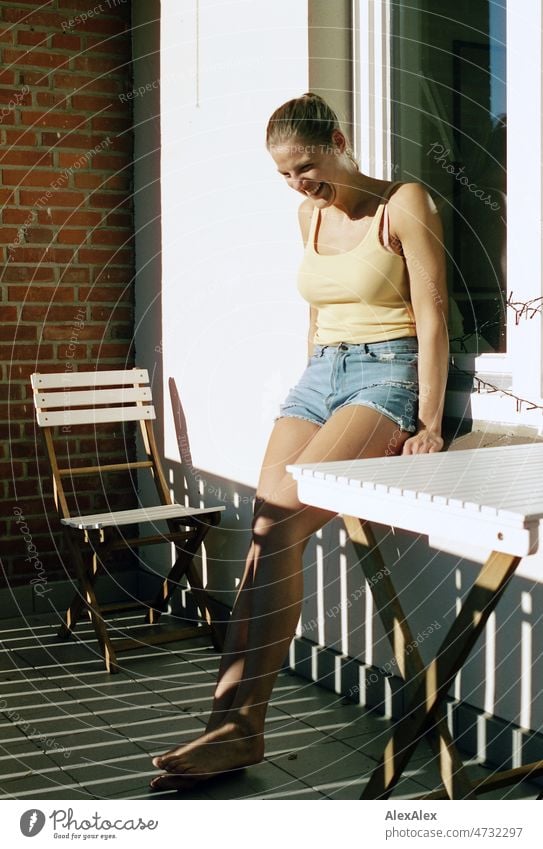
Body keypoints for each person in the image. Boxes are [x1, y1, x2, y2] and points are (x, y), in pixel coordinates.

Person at [150, 92, 449, 791]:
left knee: (280, 525)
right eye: (284, 173)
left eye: (306, 166)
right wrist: (307, 391)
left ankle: (242, 725)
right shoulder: (306, 215)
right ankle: (227, 723)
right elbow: (319, 312)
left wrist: (427, 419)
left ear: (339, 140)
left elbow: (432, 313)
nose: (298, 183)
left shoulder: (403, 203)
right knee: (264, 526)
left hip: (387, 372)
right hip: (320, 376)